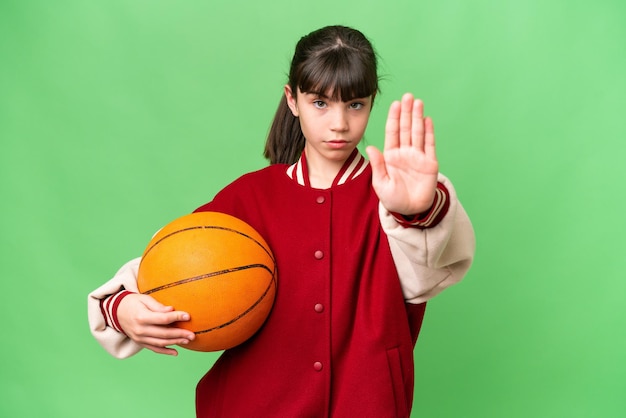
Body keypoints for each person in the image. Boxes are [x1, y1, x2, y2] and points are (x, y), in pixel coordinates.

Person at [88, 25, 475, 418]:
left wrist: (414, 211)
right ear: (293, 100)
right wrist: (122, 307)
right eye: (320, 103)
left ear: (372, 101)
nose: (339, 123)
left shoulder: (396, 197)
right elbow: (176, 263)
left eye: (355, 104)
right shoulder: (251, 197)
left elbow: (432, 267)